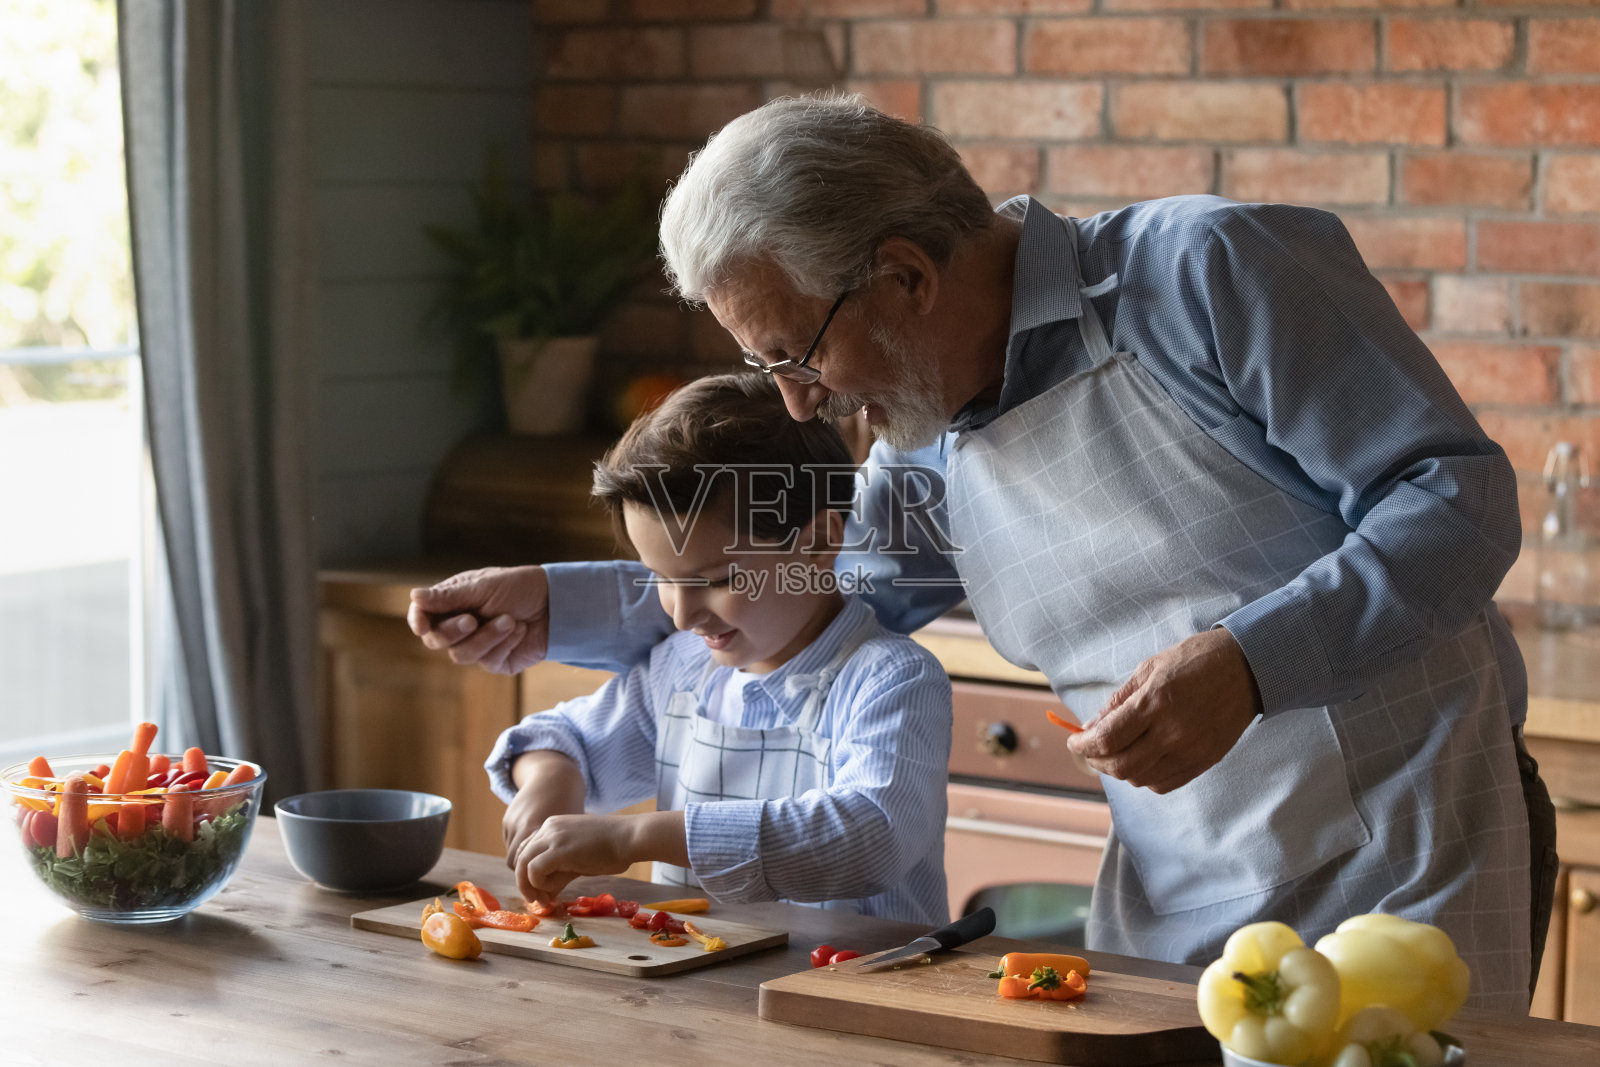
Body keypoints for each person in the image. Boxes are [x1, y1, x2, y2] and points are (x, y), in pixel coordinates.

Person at [411, 93, 1556, 1013]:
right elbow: (805, 593)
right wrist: (555, 603)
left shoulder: (1206, 273)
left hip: (1412, 852)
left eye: (792, 353)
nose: (801, 405)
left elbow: (1452, 496)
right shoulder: (920, 454)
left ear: (906, 274)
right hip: (1174, 892)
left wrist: (1247, 662)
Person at [457, 372, 952, 925]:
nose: (681, 614)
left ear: (816, 543)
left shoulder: (893, 680)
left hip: (858, 991)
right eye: (662, 579)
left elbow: (869, 838)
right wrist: (550, 784)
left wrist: (636, 836)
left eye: (714, 580)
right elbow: (564, 739)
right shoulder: (684, 670)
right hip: (698, 988)